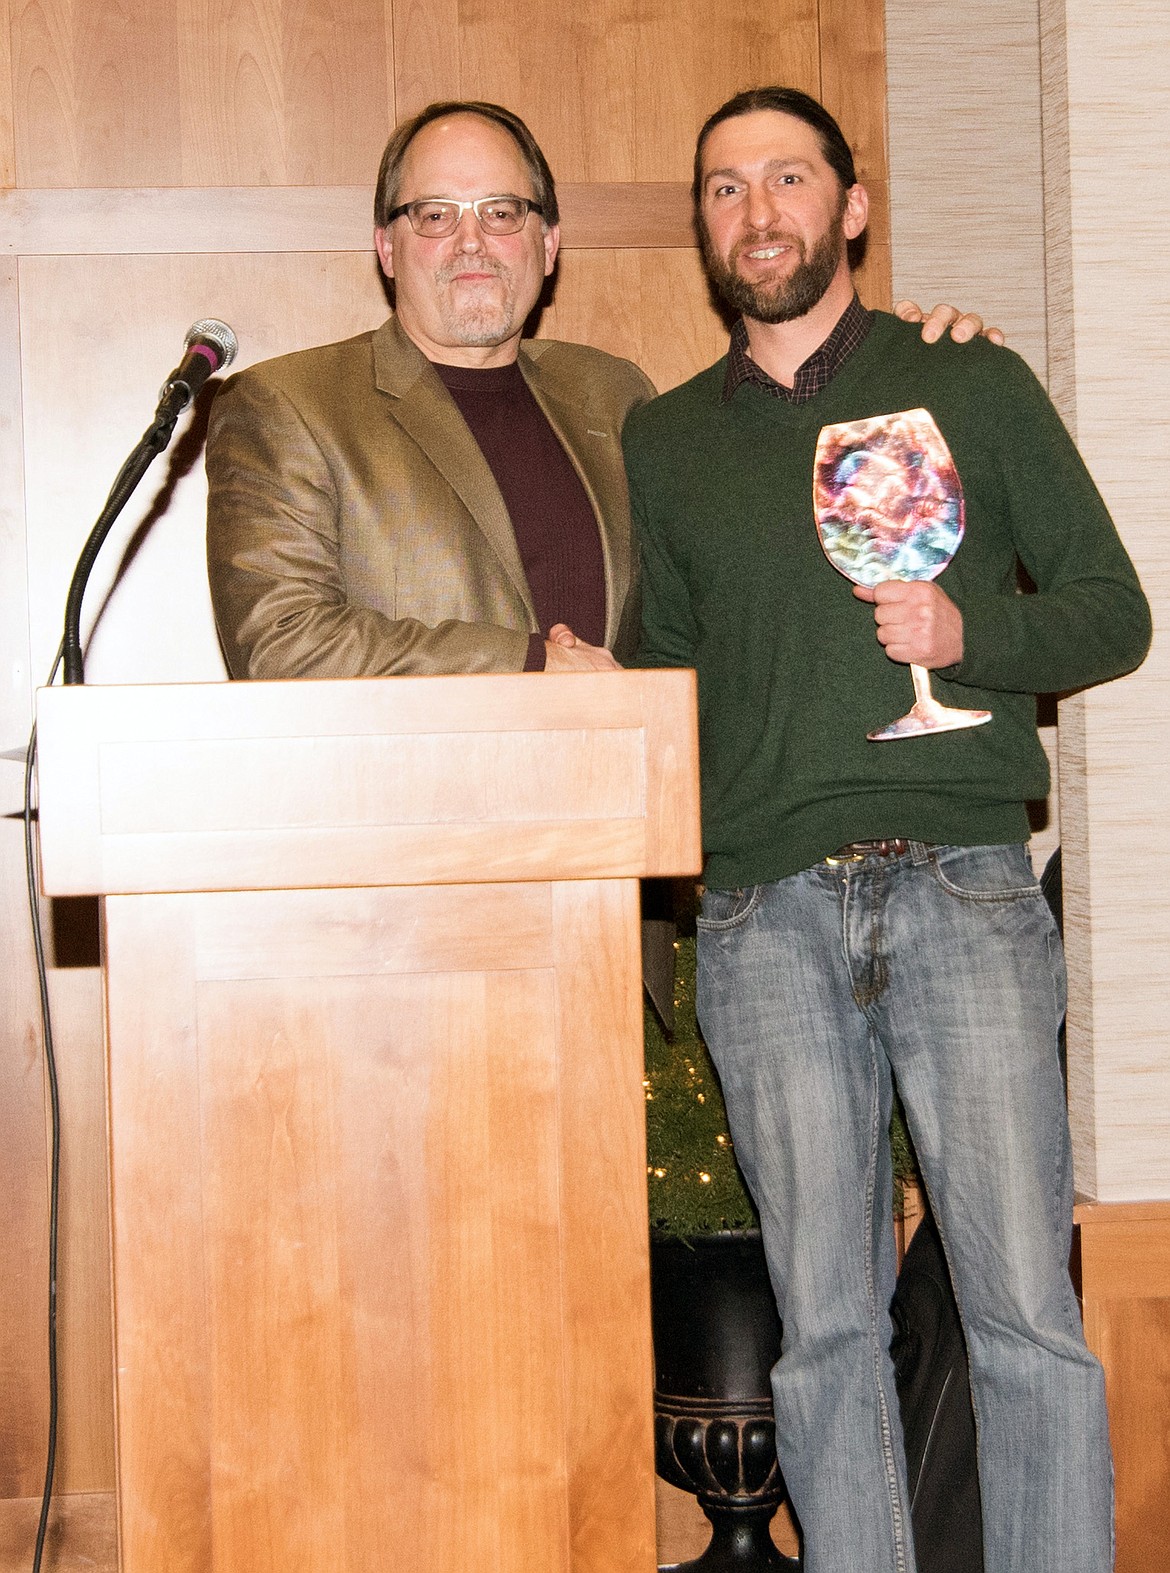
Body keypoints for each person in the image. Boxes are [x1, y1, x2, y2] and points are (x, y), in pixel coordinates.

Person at [622, 86, 1151, 1573]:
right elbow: (667, 673)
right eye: (723, 188)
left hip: (966, 892)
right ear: (704, 225)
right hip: (759, 918)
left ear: (850, 208)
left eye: (787, 178)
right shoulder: (665, 443)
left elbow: (1113, 614)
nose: (756, 211)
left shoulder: (964, 384)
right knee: (823, 1333)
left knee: (1024, 1318)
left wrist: (963, 631)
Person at [206, 98, 988, 683]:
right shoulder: (290, 404)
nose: (471, 241)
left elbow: (748, 551)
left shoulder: (612, 395)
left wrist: (913, 365)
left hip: (624, 855)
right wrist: (531, 662)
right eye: (436, 213)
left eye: (503, 211)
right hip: (410, 861)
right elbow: (280, 642)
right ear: (386, 244)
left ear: (549, 244)